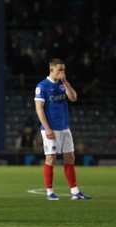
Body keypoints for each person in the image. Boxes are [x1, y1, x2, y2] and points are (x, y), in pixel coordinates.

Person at [34, 58, 91, 201]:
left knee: (70, 157)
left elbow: (73, 98)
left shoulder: (62, 85)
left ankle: (75, 191)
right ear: (51, 70)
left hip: (65, 128)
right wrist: (47, 128)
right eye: (59, 69)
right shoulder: (42, 86)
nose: (62, 72)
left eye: (63, 69)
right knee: (51, 158)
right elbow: (39, 109)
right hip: (51, 129)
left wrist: (65, 83)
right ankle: (49, 192)